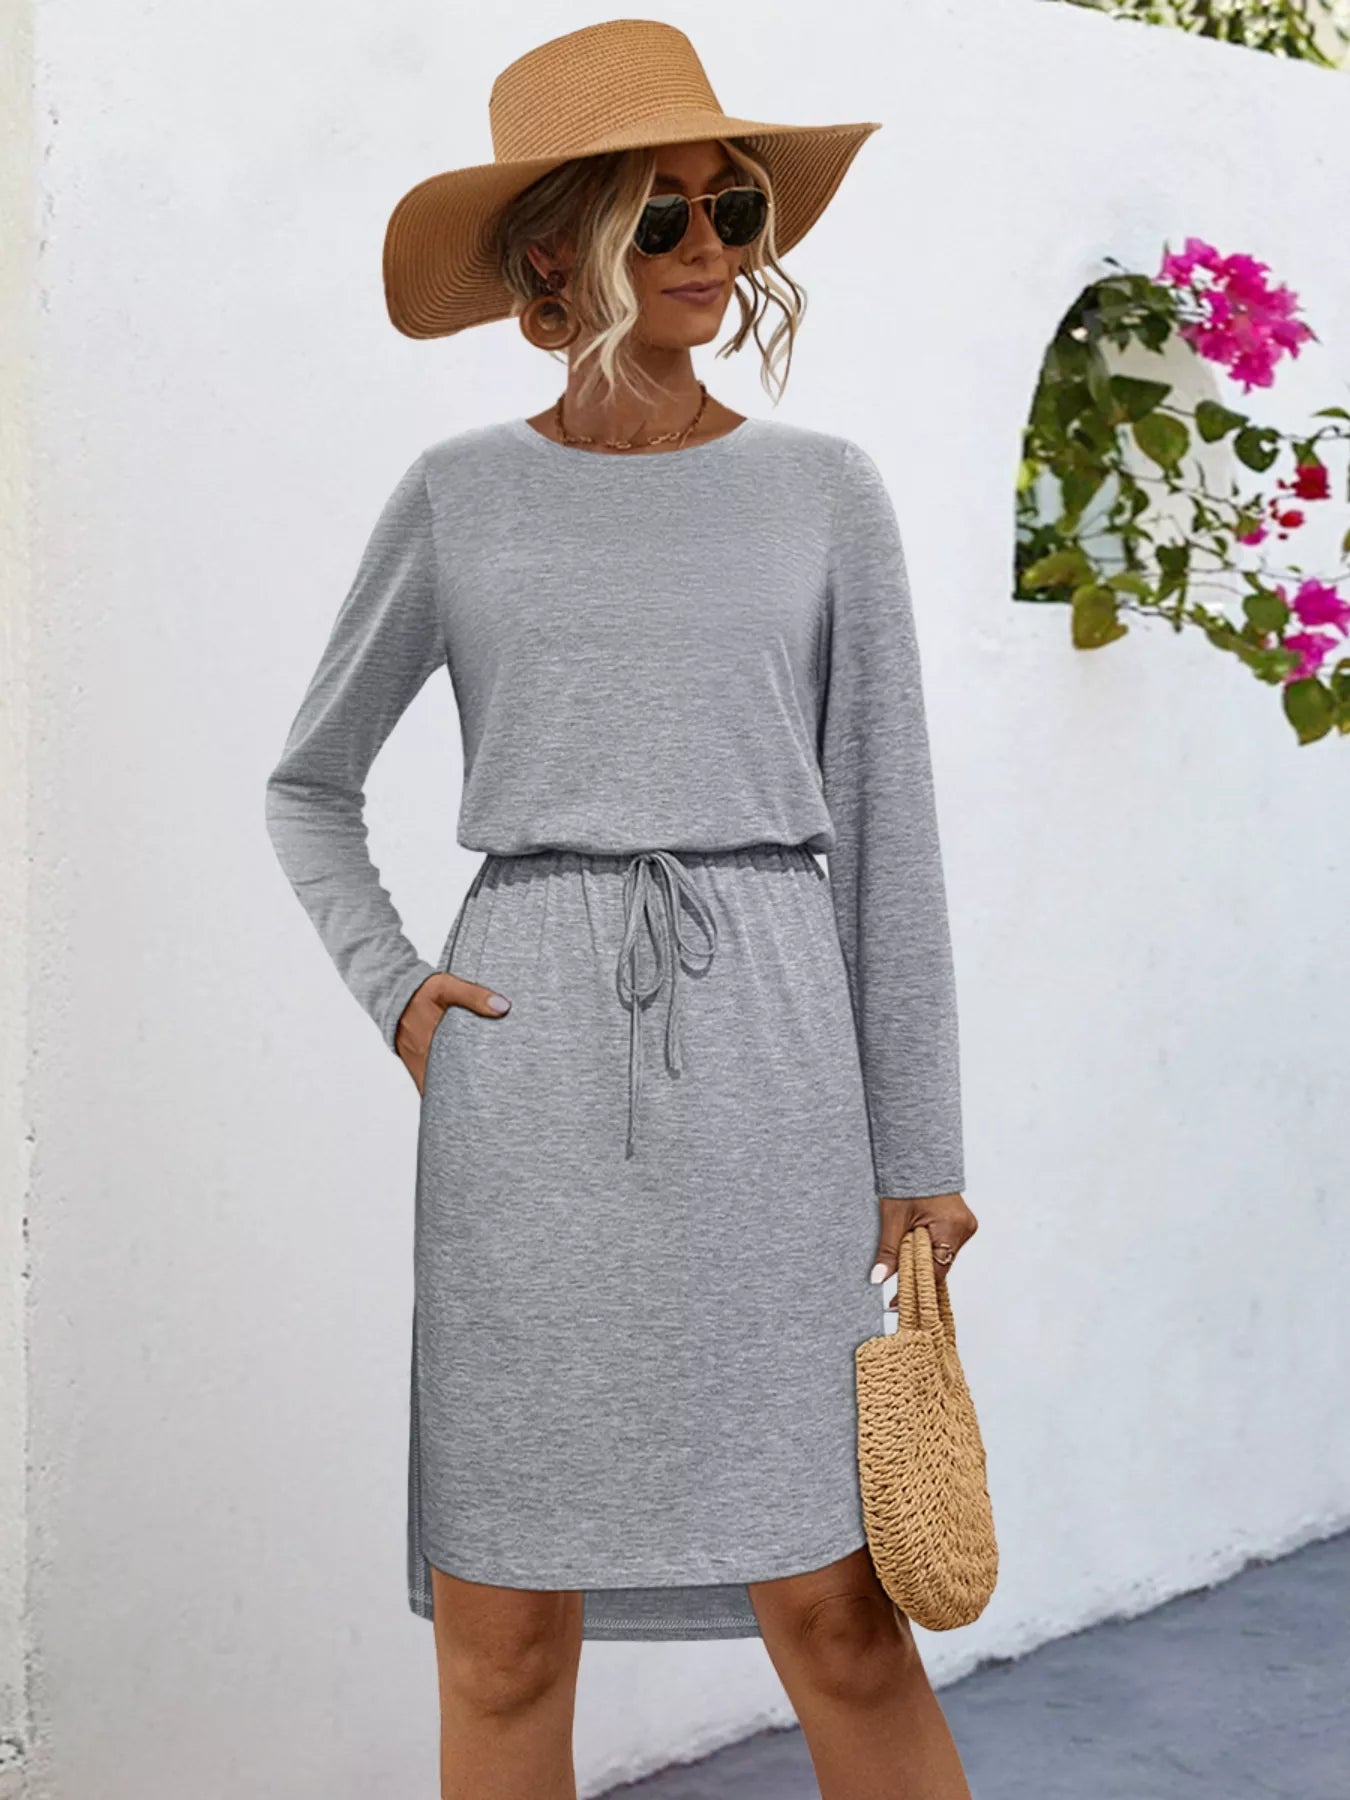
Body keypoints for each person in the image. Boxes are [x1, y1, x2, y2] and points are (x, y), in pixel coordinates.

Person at [264, 19, 979, 1799]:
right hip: (527, 1093)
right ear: (550, 252)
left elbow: (889, 830)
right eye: (661, 217)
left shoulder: (824, 493)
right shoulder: (460, 498)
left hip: (776, 1081)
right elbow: (307, 783)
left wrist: (920, 1149)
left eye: (733, 208)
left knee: (843, 1618)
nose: (711, 249)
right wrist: (400, 990)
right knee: (505, 1638)